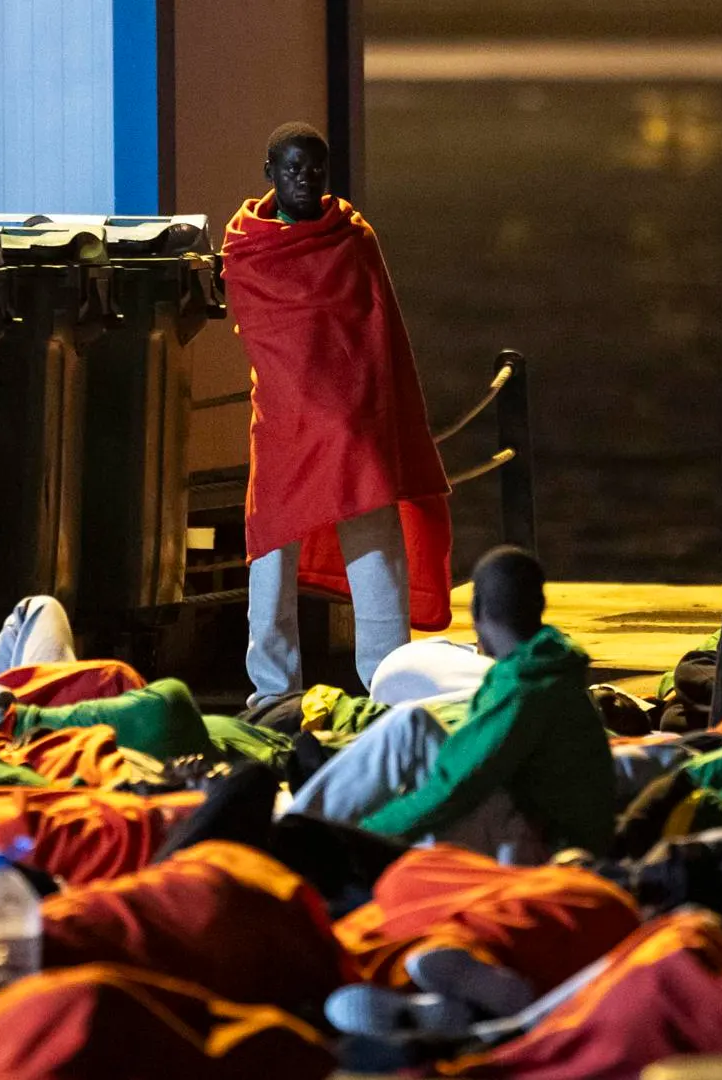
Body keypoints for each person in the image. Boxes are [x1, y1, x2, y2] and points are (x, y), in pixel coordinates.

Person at [220, 122, 453, 710]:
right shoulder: (248, 244)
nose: (305, 179)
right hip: (283, 420)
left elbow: (377, 333)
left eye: (315, 169)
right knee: (271, 550)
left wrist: (363, 407)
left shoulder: (352, 237)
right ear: (269, 172)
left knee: (374, 545)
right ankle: (273, 690)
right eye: (293, 168)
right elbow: (265, 334)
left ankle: (389, 682)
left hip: (354, 419)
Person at [287, 547, 615, 861]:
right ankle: (300, 826)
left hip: (542, 851)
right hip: (538, 827)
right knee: (411, 724)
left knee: (407, 736)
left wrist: (363, 836)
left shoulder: (524, 689)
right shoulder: (548, 666)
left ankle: (294, 838)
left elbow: (454, 789)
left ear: (478, 612)